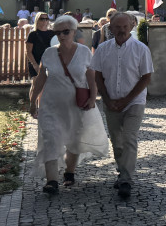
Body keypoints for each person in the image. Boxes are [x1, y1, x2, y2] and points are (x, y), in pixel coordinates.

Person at [28, 14, 107, 195]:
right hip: (50, 104)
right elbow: (40, 79)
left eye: (66, 32)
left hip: (75, 104)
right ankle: (51, 181)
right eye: (58, 32)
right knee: (50, 139)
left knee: (74, 139)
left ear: (74, 31)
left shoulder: (84, 52)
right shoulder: (48, 53)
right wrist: (33, 102)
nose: (62, 36)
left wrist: (93, 98)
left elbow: (91, 77)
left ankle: (69, 172)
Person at [92, 12, 153, 200]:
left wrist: (126, 100)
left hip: (134, 102)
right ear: (110, 28)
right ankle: (122, 171)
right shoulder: (103, 50)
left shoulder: (141, 49)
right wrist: (107, 99)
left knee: (129, 137)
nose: (121, 30)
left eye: (124, 26)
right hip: (111, 100)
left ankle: (126, 179)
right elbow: (98, 76)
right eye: (117, 27)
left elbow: (146, 78)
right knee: (117, 141)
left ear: (132, 27)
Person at [26, 14, 53, 78]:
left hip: (50, 63)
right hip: (36, 62)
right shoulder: (32, 34)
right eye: (42, 19)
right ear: (37, 20)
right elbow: (28, 52)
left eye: (46, 19)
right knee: (36, 85)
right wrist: (35, 65)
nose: (44, 21)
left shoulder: (52, 33)